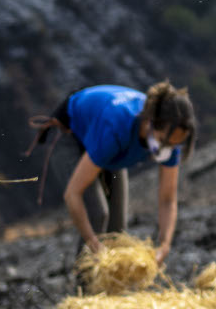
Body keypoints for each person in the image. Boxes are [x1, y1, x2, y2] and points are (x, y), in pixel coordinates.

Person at [35, 81, 196, 265]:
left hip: (111, 149)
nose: (168, 149)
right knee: (97, 213)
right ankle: (85, 287)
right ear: (150, 122)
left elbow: (168, 198)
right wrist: (93, 244)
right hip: (71, 135)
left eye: (174, 145)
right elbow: (73, 194)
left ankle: (112, 290)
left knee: (117, 232)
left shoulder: (171, 137)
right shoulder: (117, 128)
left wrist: (165, 244)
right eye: (163, 142)